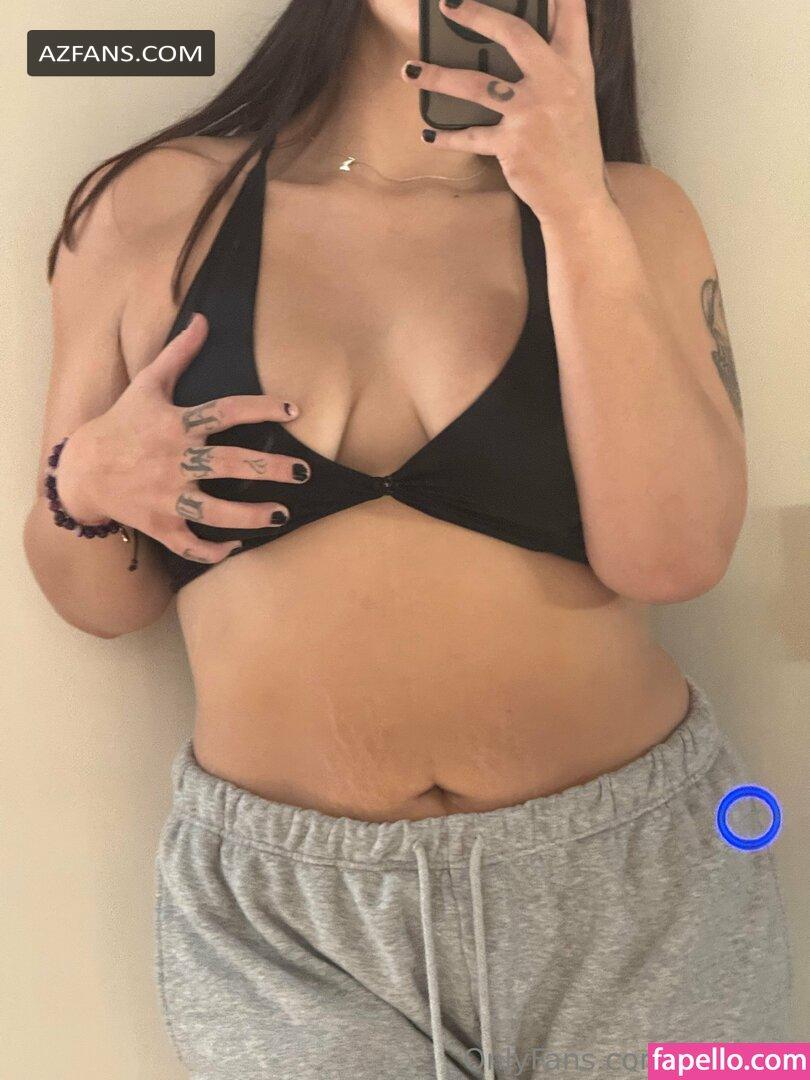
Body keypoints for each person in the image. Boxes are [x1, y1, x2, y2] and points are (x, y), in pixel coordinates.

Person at [24, 0, 792, 1076]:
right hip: (287, 925)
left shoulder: (636, 210)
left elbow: (674, 559)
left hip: (645, 884)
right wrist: (83, 482)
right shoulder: (153, 206)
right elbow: (98, 603)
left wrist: (576, 208)